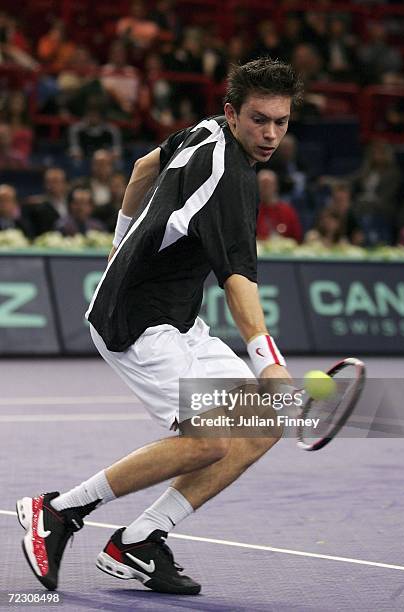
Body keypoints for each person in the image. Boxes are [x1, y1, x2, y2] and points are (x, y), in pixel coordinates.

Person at [17, 58, 303, 596]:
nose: (269, 134)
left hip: (176, 316)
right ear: (232, 113)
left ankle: (139, 540)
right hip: (137, 322)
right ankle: (57, 510)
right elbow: (237, 280)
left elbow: (144, 167)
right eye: (259, 119)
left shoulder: (205, 129)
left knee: (264, 422)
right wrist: (271, 363)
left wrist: (119, 243)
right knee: (209, 440)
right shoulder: (232, 179)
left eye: (281, 122)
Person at [256, 169, 303, 242]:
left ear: (276, 186)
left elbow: (297, 238)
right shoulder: (250, 210)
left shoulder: (287, 211)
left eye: (268, 184)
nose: (265, 188)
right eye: (262, 184)